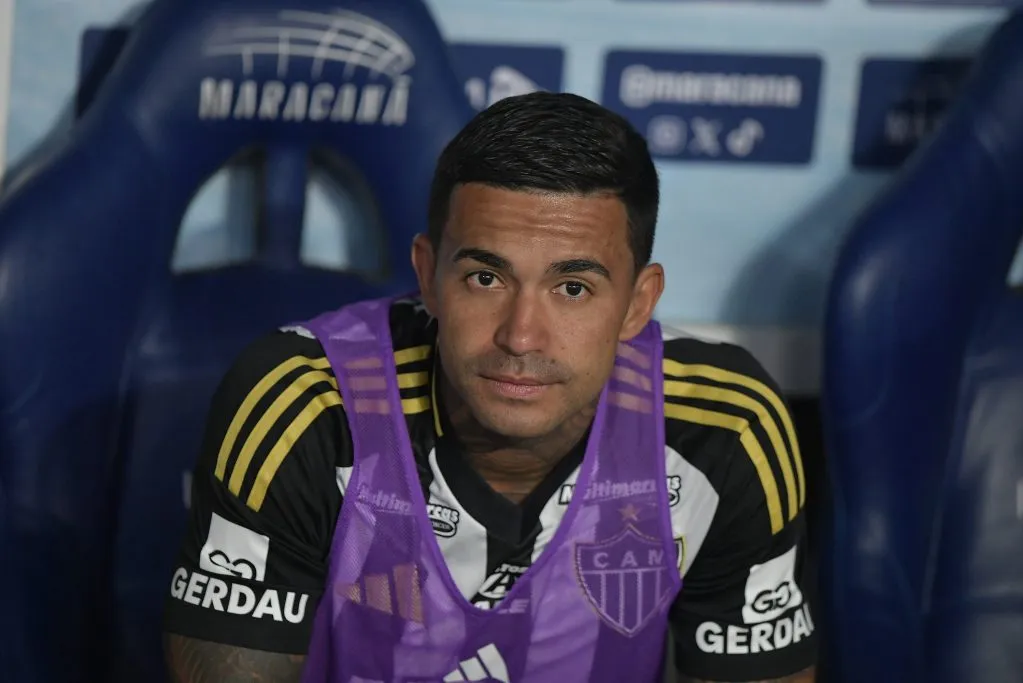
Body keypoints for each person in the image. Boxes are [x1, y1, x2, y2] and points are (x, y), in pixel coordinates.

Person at [163, 92, 817, 683]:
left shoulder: (722, 429)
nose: (521, 337)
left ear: (638, 303)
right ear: (428, 274)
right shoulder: (305, 404)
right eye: (485, 278)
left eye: (572, 287)